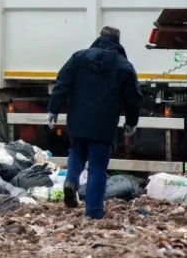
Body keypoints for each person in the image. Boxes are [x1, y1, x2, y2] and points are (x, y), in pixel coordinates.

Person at [46, 26, 142, 219]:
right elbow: (133, 98)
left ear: (100, 38)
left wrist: (53, 110)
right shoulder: (124, 66)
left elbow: (62, 84)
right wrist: (131, 122)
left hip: (78, 120)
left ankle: (71, 180)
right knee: (97, 166)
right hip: (104, 124)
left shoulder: (79, 58)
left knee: (76, 151)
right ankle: (94, 212)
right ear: (118, 41)